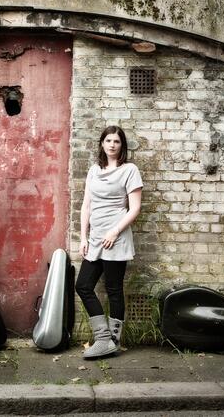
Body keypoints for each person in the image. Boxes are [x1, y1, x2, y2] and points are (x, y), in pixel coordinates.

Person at [76, 125, 143, 359]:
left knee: (114, 289)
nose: (112, 145)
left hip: (116, 237)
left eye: (116, 141)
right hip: (95, 238)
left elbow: (134, 208)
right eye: (108, 141)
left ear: (122, 145)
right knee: (83, 285)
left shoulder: (129, 170)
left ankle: (113, 340)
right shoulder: (94, 170)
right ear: (102, 144)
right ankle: (103, 338)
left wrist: (115, 232)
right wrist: (83, 237)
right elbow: (86, 206)